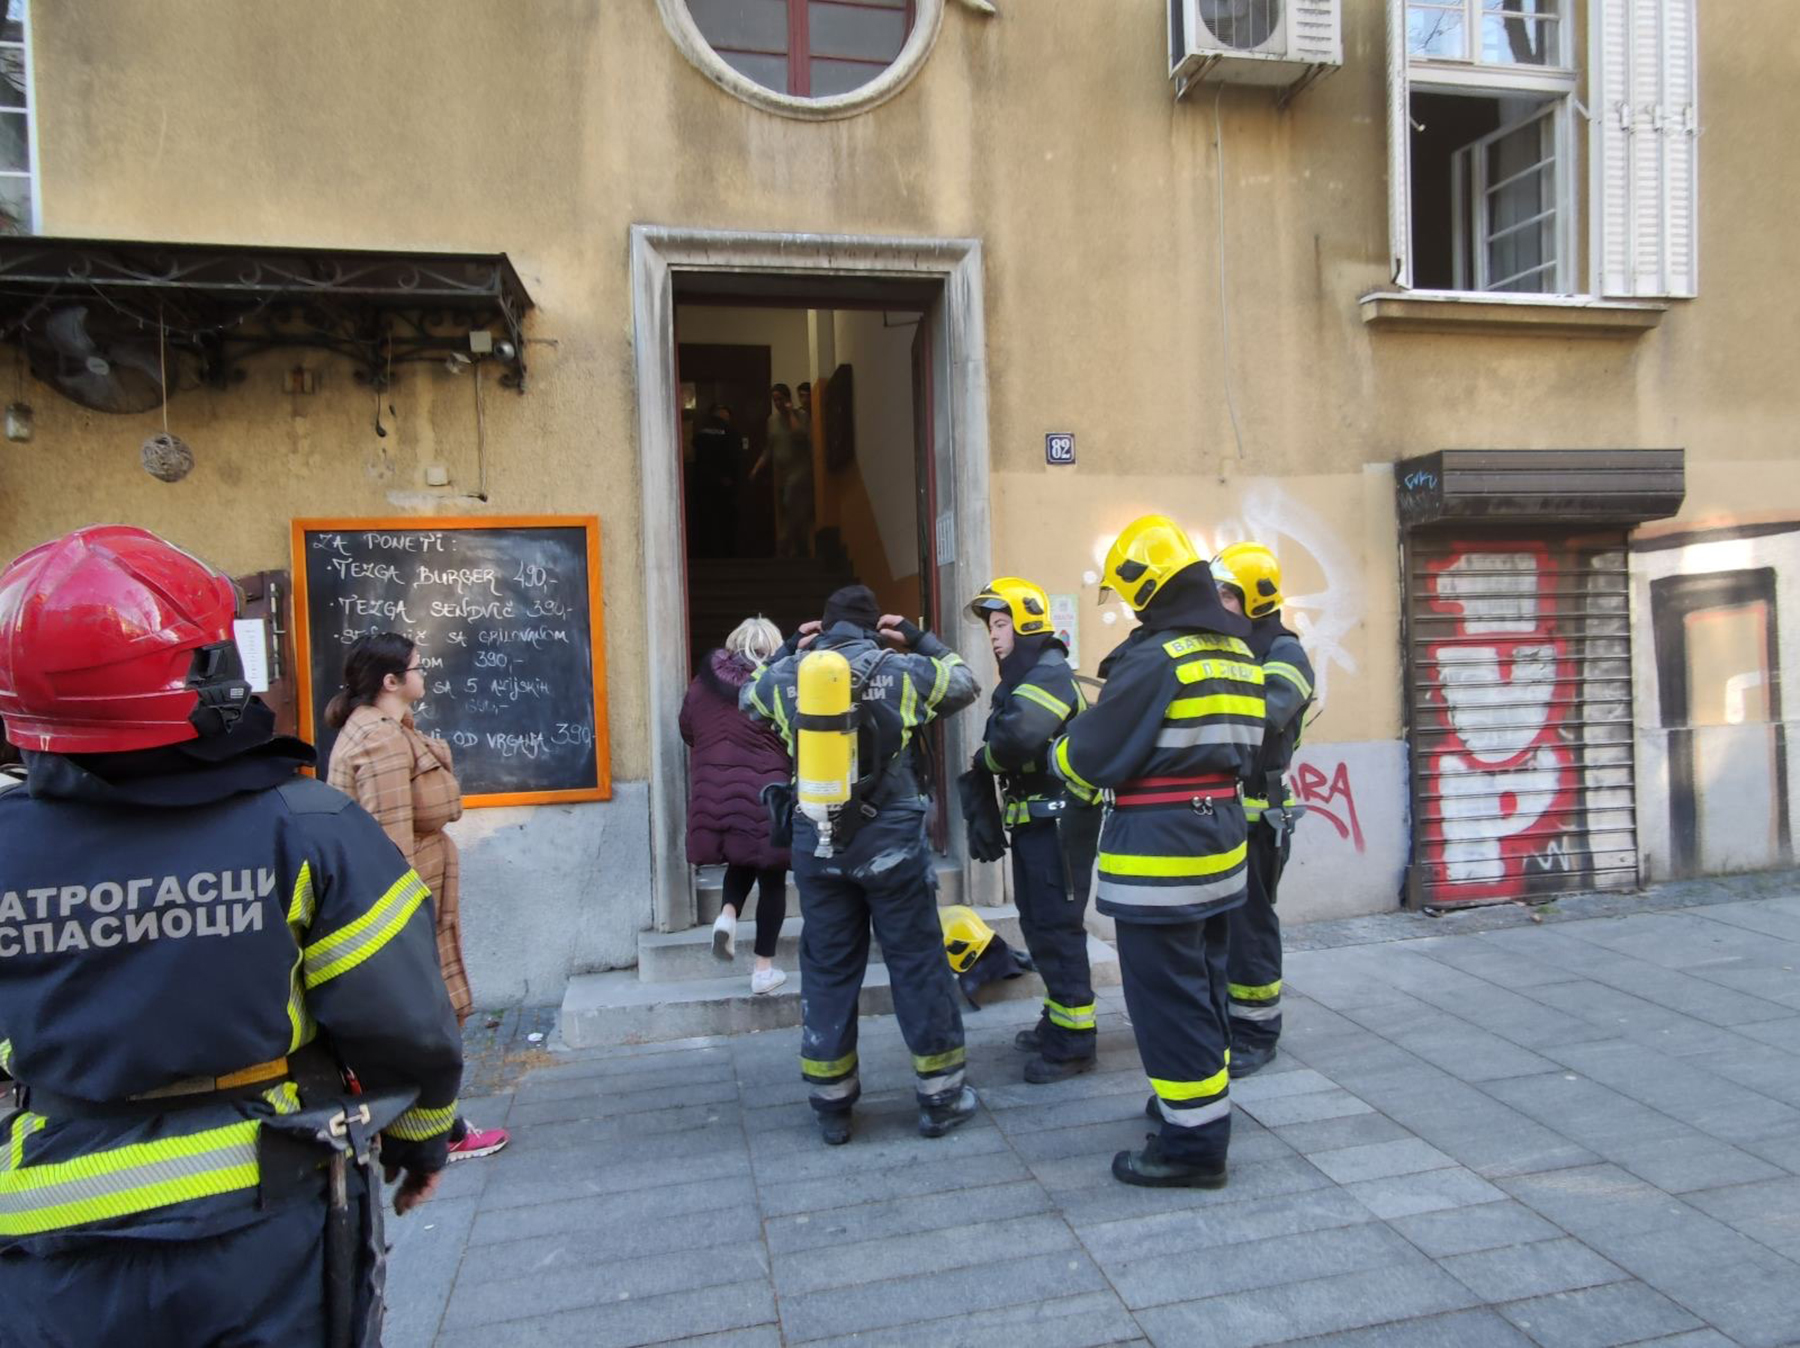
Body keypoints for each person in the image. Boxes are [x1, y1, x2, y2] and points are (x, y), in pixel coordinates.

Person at [0, 525, 463, 1346]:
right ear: (207, 676)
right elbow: (404, 1022)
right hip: (259, 1217)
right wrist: (420, 1138)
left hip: (42, 1236)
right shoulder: (305, 830)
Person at [1049, 515, 1263, 1189]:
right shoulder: (1240, 653)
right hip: (1220, 847)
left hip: (1159, 859)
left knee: (1166, 998)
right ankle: (1195, 1105)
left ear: (1149, 587)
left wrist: (1060, 752)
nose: (1133, 609)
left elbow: (1089, 756)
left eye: (1132, 594)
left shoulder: (1154, 658)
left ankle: (1193, 1146)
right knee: (1202, 986)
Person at [741, 584, 979, 1146]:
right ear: (876, 628)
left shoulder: (791, 676)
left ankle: (831, 1105)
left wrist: (789, 650)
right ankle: (941, 1097)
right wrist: (918, 637)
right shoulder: (902, 671)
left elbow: (748, 698)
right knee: (917, 964)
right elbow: (965, 683)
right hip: (891, 845)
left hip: (818, 846)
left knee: (826, 970)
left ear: (822, 627)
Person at [326, 631, 510, 1164]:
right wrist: (405, 929)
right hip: (410, 910)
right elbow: (389, 844)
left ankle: (428, 1126)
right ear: (391, 681)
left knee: (424, 1016)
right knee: (424, 1017)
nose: (423, 674)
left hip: (420, 904)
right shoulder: (381, 741)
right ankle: (436, 1134)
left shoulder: (386, 729)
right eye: (416, 666)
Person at [966, 576, 1104, 1083]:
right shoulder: (1028, 677)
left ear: (1026, 624)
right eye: (991, 627)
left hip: (1060, 828)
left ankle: (1074, 1044)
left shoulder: (1046, 676)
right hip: (1040, 824)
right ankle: (1060, 1021)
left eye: (1002, 624)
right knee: (1040, 927)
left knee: (1057, 930)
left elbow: (1014, 741)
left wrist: (985, 757)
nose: (995, 636)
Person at [1212, 543, 1315, 1078]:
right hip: (1225, 810)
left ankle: (1256, 1030)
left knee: (1251, 925)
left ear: (1255, 599)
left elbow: (1268, 714)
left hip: (1259, 813)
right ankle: (1231, 1018)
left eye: (1227, 594)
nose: (1218, 603)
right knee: (1224, 925)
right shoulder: (1231, 649)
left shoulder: (1285, 652)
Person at [681, 616, 792, 995]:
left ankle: (727, 916)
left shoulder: (701, 686)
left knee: (740, 858)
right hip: (767, 792)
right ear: (774, 649)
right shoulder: (777, 684)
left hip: (714, 791)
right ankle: (763, 970)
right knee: (773, 876)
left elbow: (686, 729)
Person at [753, 383, 815, 559]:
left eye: (780, 399)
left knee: (791, 502)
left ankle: (784, 546)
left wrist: (790, 414)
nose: (777, 403)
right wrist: (757, 467)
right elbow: (770, 447)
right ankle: (800, 549)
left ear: (788, 399)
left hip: (801, 469)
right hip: (783, 472)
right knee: (793, 511)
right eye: (774, 400)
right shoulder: (771, 421)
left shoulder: (800, 416)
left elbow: (801, 435)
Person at [690, 403, 742, 558]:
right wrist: (731, 478)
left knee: (705, 521)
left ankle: (705, 555)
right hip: (724, 484)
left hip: (703, 484)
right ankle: (728, 555)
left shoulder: (701, 432)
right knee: (726, 522)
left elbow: (695, 451)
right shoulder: (731, 432)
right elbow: (735, 457)